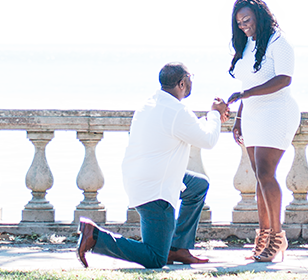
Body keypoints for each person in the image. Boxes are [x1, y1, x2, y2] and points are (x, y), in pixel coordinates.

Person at [76, 62, 231, 269]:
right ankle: (95, 237)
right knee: (156, 258)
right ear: (182, 83)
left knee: (198, 186)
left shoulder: (151, 103)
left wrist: (210, 119)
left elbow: (186, 128)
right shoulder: (177, 111)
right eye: (190, 77)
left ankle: (178, 248)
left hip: (143, 178)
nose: (192, 81)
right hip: (156, 190)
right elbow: (208, 140)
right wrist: (215, 114)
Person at [225, 0, 300, 263]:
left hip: (276, 112)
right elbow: (247, 84)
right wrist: (239, 117)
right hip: (253, 115)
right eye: (239, 22)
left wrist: (246, 94)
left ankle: (277, 238)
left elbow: (284, 79)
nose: (243, 26)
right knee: (260, 177)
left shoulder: (278, 42)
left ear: (259, 16)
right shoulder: (248, 44)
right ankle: (265, 236)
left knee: (266, 173)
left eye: (247, 20)